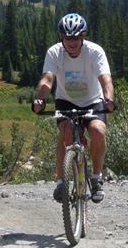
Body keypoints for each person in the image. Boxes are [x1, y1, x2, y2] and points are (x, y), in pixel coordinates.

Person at [32, 12, 115, 203]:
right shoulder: (54, 52)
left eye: (76, 38)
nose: (71, 42)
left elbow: (106, 79)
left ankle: (96, 178)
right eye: (67, 38)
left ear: (82, 37)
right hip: (66, 100)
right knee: (66, 134)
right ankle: (61, 181)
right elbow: (47, 80)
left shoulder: (95, 51)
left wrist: (109, 99)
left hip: (93, 100)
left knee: (98, 131)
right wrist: (40, 100)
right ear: (62, 37)